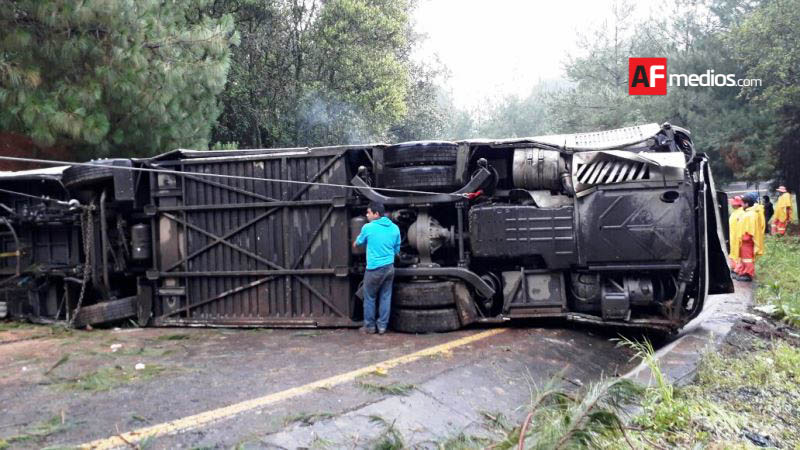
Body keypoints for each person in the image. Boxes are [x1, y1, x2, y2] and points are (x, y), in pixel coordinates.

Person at [352, 202, 401, 334]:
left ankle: (369, 326)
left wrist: (355, 242)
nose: (366, 215)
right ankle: (382, 326)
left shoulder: (368, 227)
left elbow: (358, 243)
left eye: (368, 212)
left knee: (370, 297)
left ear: (376, 214)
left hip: (374, 269)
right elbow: (397, 249)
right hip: (389, 268)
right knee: (385, 297)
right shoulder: (395, 228)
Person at [734, 196, 759, 282]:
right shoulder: (748, 213)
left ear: (747, 204)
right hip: (744, 240)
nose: (741, 205)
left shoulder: (750, 214)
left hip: (747, 240)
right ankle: (743, 271)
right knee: (744, 258)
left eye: (743, 203)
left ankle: (748, 274)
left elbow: (751, 228)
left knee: (747, 258)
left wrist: (746, 237)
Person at [728, 196, 745, 274]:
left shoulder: (741, 213)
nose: (731, 205)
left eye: (733, 204)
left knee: (738, 253)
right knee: (733, 252)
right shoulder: (735, 212)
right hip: (733, 236)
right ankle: (734, 267)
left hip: (737, 237)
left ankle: (738, 269)